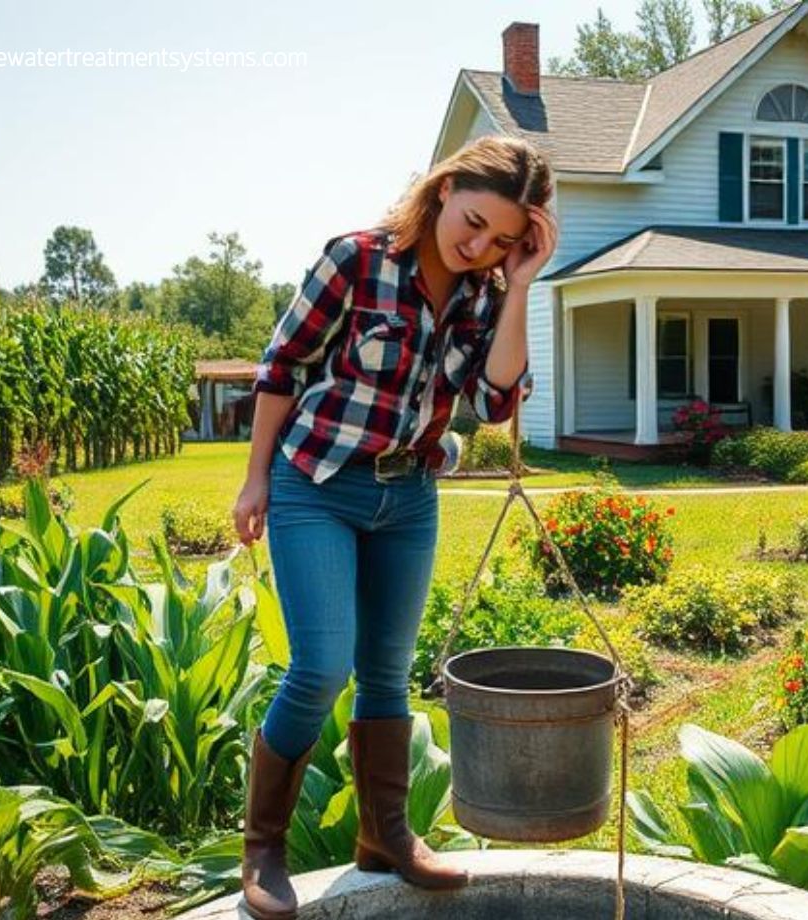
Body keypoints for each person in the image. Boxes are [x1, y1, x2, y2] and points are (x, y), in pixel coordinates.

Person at [231, 135, 557, 920]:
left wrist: (519, 289)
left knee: (388, 672)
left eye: (505, 240)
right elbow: (282, 367)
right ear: (444, 189)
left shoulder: (486, 293)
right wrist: (252, 478)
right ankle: (262, 847)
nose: (480, 245)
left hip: (409, 495)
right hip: (317, 484)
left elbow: (498, 399)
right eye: (474, 222)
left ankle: (386, 836)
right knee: (320, 666)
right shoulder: (356, 260)